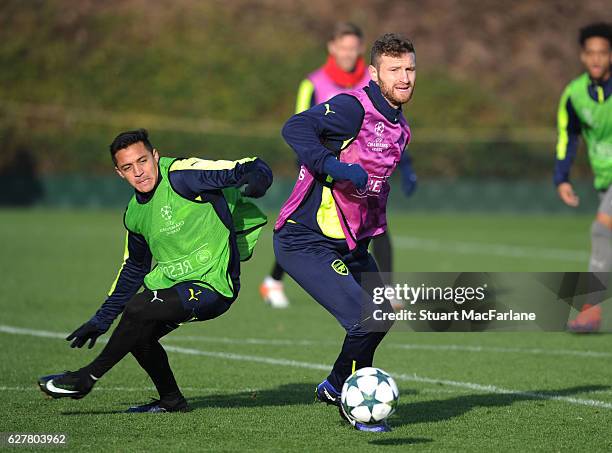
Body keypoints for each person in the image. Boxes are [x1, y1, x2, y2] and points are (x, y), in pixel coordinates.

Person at [38, 129, 272, 412]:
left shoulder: (184, 176)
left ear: (155, 156)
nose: (138, 172)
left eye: (142, 161)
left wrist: (258, 181)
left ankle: (86, 378)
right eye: (128, 167)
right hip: (176, 287)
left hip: (215, 285)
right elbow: (134, 269)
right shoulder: (134, 214)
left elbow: (253, 165)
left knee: (139, 309)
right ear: (119, 173)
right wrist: (102, 319)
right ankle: (172, 401)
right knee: (139, 333)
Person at [273, 33, 416, 431]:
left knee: (380, 315)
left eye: (409, 68)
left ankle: (336, 385)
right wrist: (333, 167)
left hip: (350, 244)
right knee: (364, 318)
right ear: (374, 73)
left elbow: (372, 203)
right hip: (304, 239)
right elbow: (295, 127)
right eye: (394, 70)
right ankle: (355, 407)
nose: (404, 77)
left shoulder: (401, 129)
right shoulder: (354, 107)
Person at [260, 22, 417, 309]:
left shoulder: (374, 81)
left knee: (374, 224)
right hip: (324, 168)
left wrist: (406, 168)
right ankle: (274, 280)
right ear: (332, 48)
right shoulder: (314, 82)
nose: (348, 53)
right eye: (343, 47)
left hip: (364, 179)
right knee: (308, 226)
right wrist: (326, 165)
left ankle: (381, 291)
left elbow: (388, 129)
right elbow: (301, 124)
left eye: (353, 47)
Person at [554, 23, 612, 333]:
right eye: (591, 53)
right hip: (605, 180)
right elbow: (568, 137)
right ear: (582, 56)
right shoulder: (575, 94)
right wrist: (562, 178)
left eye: (603, 52)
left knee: (602, 231)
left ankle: (590, 309)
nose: (597, 59)